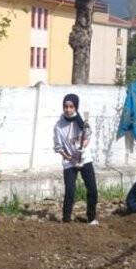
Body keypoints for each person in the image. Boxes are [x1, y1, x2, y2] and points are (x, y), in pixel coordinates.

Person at [54, 93, 98, 225]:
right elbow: (58, 147)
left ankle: (91, 217)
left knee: (92, 189)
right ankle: (66, 219)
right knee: (70, 191)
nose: (68, 109)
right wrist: (70, 158)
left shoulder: (82, 123)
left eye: (71, 107)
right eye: (65, 106)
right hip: (69, 161)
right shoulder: (58, 126)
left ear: (76, 107)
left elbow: (87, 136)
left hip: (85, 159)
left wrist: (83, 146)